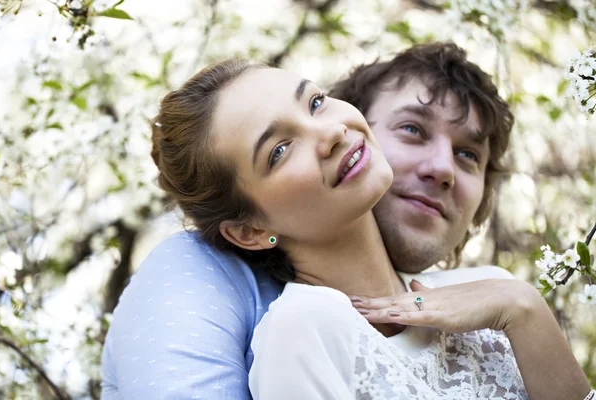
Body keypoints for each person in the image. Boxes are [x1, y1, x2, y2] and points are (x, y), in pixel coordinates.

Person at [100, 43, 593, 399]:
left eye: (314, 102)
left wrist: (525, 308)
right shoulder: (302, 330)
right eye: (279, 149)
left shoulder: (494, 292)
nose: (330, 132)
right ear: (250, 230)